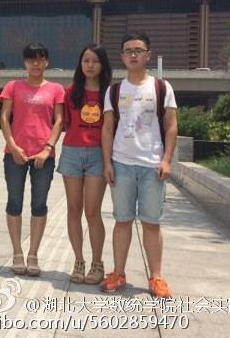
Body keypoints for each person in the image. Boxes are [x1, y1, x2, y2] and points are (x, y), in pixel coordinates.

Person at [100, 32, 178, 298]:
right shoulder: (114, 90)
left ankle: (156, 277)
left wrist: (166, 159)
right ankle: (118, 273)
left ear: (148, 55)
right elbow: (107, 128)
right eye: (128, 51)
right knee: (122, 221)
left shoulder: (162, 88)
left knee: (151, 223)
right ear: (122, 56)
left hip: (152, 166)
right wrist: (107, 163)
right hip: (121, 163)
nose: (133, 55)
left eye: (138, 50)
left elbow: (171, 126)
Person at [0, 43, 64, 276]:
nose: (36, 64)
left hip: (43, 156)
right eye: (31, 59)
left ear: (47, 61)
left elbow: (59, 121)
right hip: (15, 154)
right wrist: (13, 147)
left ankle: (33, 253)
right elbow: (4, 118)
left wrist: (48, 149)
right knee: (14, 202)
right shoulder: (13, 86)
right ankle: (17, 252)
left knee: (39, 204)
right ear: (25, 62)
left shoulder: (56, 89)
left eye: (40, 59)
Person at [57, 44, 112, 285]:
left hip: (98, 155)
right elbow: (66, 123)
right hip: (72, 152)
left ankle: (97, 263)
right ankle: (78, 261)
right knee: (73, 209)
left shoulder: (110, 93)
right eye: (86, 60)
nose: (90, 65)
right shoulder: (71, 91)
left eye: (95, 61)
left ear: (103, 65)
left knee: (92, 211)